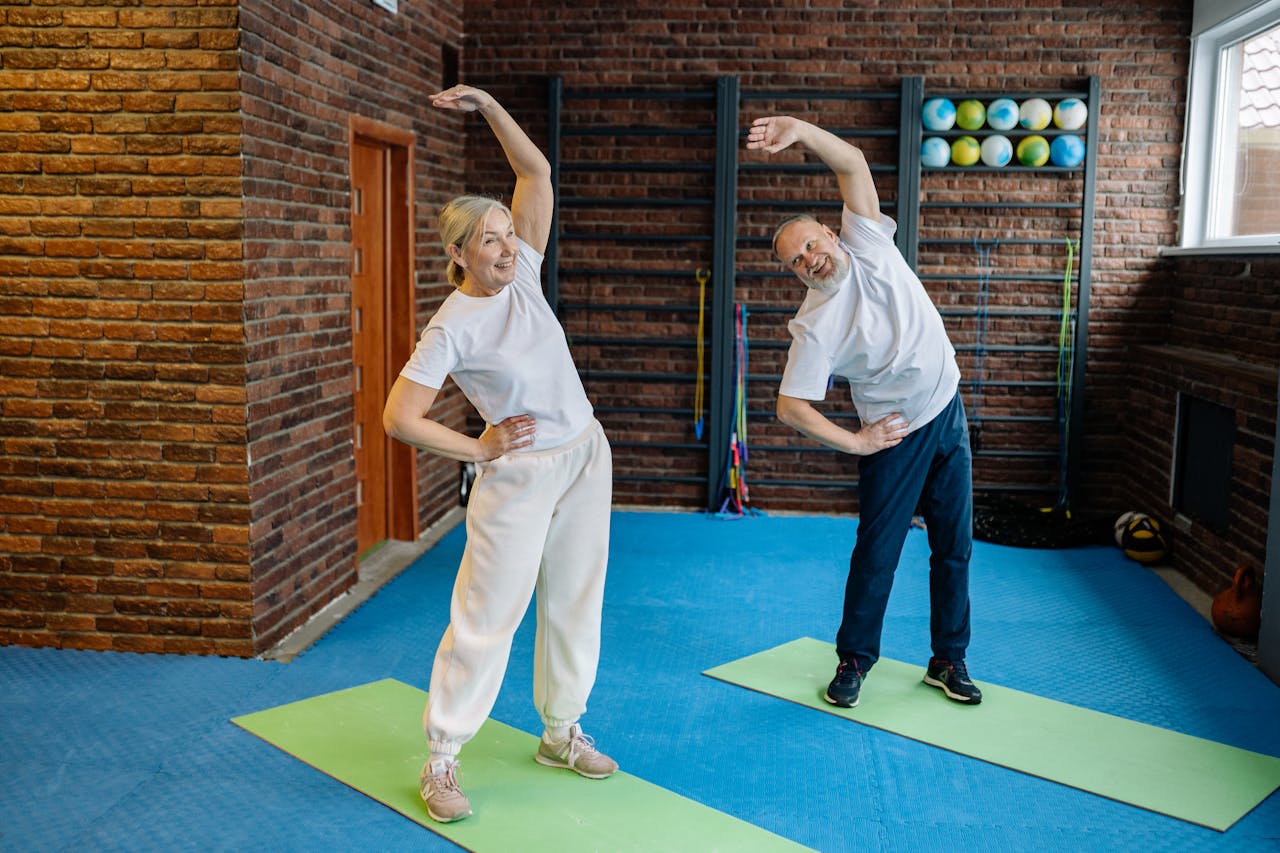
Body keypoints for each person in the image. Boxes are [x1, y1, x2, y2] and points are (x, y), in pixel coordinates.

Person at [383, 84, 617, 824]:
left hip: (584, 454)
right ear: (459, 254)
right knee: (488, 615)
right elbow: (399, 415)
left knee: (576, 601)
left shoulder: (527, 278)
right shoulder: (452, 326)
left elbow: (537, 174)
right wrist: (477, 445)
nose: (506, 242)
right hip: (516, 474)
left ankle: (560, 732)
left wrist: (486, 106)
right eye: (489, 237)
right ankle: (443, 757)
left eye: (506, 232)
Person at [746, 115, 982, 709]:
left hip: (946, 409)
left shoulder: (870, 241)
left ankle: (948, 660)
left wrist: (798, 129)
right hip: (894, 436)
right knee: (878, 551)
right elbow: (790, 406)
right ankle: (854, 661)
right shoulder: (814, 324)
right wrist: (857, 442)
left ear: (831, 231)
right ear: (793, 274)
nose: (808, 258)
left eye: (810, 244)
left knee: (955, 545)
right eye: (795, 260)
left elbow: (850, 160)